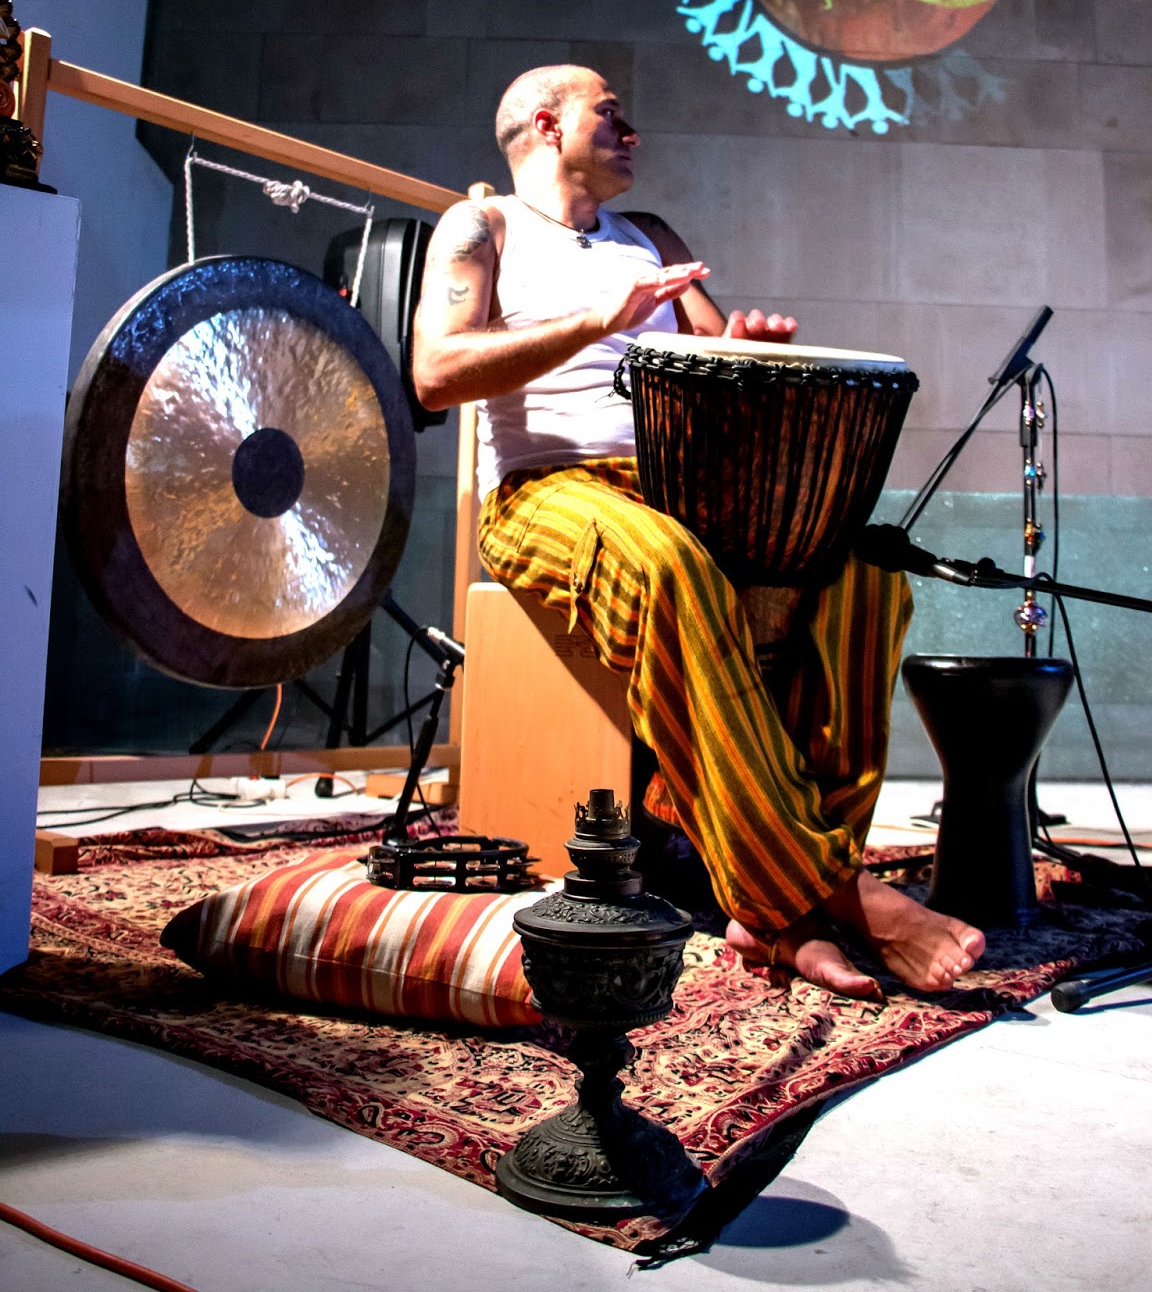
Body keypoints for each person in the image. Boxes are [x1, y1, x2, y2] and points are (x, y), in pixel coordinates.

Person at [411, 64, 985, 999]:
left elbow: (715, 362)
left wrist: (747, 352)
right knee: (671, 566)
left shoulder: (651, 238)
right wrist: (597, 320)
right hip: (546, 491)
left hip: (679, 488)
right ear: (548, 125)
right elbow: (435, 373)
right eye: (609, 113)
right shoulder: (482, 227)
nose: (630, 129)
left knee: (863, 570)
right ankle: (839, 896)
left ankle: (780, 908)